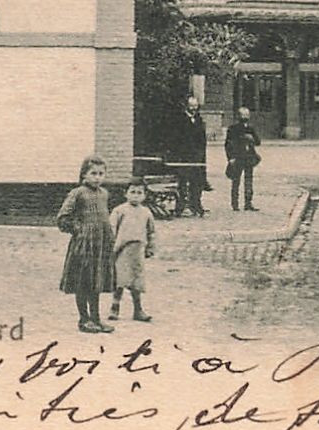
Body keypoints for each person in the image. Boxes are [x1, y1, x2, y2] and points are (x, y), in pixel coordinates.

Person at [57, 155, 116, 332]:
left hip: (100, 246)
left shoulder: (104, 194)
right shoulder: (77, 193)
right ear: (84, 174)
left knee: (96, 281)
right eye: (93, 173)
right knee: (83, 282)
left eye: (101, 173)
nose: (97, 177)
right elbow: (63, 218)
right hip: (83, 247)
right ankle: (84, 319)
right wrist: (79, 230)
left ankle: (96, 319)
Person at [108, 180, 156, 323]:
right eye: (132, 192)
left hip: (138, 251)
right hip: (122, 250)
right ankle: (114, 308)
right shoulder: (119, 210)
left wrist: (151, 248)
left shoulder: (146, 213)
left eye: (139, 193)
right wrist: (110, 248)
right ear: (126, 193)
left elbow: (151, 232)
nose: (135, 196)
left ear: (145, 195)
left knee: (137, 281)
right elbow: (111, 229)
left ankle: (138, 310)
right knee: (120, 280)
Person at [165, 93, 210, 217]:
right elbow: (176, 139)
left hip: (197, 157)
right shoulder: (180, 120)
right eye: (191, 106)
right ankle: (181, 207)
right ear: (187, 106)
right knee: (183, 182)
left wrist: (201, 155)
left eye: (196, 106)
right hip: (184, 157)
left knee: (197, 182)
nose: (194, 108)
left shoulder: (199, 120)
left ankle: (196, 205)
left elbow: (202, 139)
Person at [225, 106, 263, 212]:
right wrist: (231, 157)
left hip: (249, 157)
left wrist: (252, 138)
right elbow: (228, 145)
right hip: (238, 157)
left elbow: (258, 142)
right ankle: (235, 204)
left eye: (247, 115)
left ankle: (248, 203)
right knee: (236, 181)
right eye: (243, 115)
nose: (245, 117)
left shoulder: (251, 128)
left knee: (249, 181)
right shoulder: (233, 129)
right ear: (238, 116)